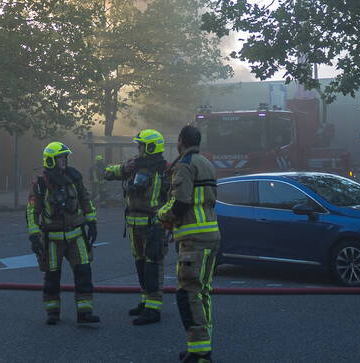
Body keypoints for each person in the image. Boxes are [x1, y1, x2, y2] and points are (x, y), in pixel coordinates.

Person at [158, 125, 219, 363]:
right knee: (203, 292)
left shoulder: (184, 164)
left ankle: (200, 352)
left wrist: (162, 215)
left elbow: (180, 202)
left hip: (194, 239)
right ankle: (202, 346)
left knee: (188, 293)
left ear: (181, 141)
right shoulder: (207, 163)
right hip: (211, 234)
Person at [26, 141, 100, 325]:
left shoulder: (74, 178)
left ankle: (85, 312)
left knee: (84, 271)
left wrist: (91, 222)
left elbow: (85, 199)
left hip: (76, 235)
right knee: (52, 276)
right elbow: (32, 211)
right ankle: (53, 312)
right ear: (50, 160)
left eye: (65, 157)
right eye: (60, 157)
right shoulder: (41, 184)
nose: (64, 161)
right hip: (52, 239)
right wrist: (34, 236)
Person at [102, 129, 170, 325]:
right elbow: (107, 173)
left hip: (154, 225)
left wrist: (167, 223)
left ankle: (153, 308)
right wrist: (125, 168)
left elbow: (175, 197)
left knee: (153, 265)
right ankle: (144, 301)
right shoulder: (134, 165)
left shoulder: (166, 169)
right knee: (140, 265)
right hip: (134, 224)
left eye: (140, 145)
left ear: (150, 147)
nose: (138, 148)